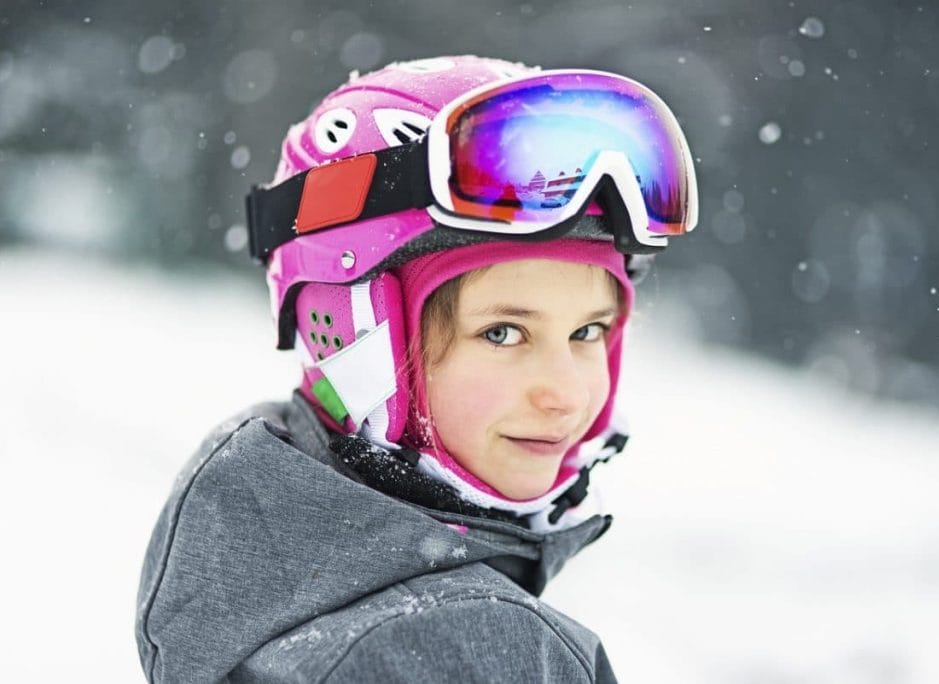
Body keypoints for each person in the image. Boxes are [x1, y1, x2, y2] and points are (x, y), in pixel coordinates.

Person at [135, 55, 697, 682]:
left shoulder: (245, 552)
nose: (565, 394)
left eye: (587, 331)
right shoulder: (474, 648)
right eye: (503, 333)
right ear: (350, 332)